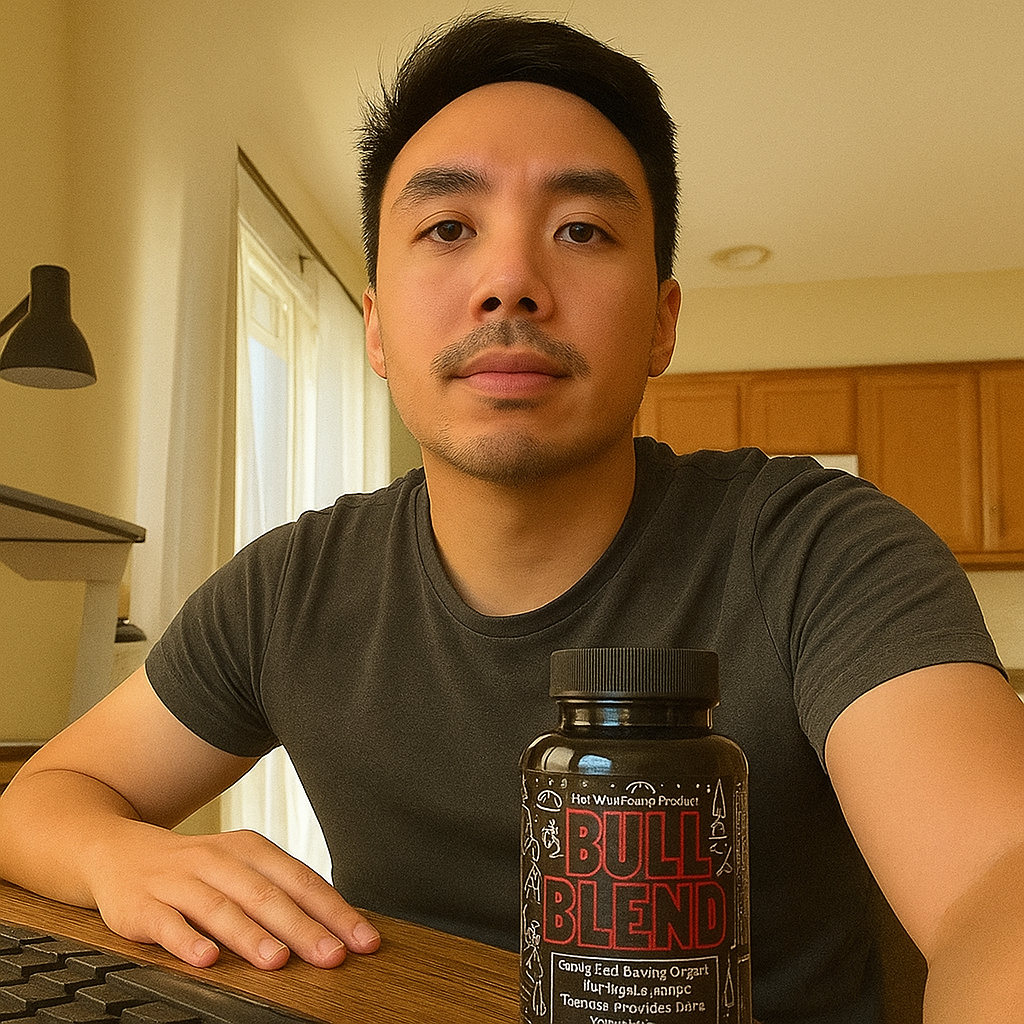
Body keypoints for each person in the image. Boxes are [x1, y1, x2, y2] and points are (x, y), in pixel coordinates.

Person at [1, 12, 1023, 1023]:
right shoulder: (290, 585)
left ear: (662, 322)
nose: (508, 285)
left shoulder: (819, 547)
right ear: (376, 329)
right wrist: (119, 851)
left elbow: (998, 875)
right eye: (448, 228)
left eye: (581, 230)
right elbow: (46, 796)